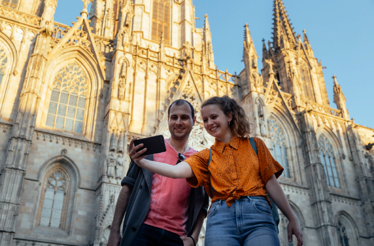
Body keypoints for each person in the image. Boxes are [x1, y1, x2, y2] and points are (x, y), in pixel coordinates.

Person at [129, 96, 303, 246]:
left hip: (257, 215)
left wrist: (292, 217)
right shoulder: (205, 156)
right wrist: (142, 162)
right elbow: (175, 171)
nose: (209, 123)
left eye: (214, 117)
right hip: (221, 218)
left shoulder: (255, 145)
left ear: (229, 116)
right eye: (205, 120)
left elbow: (271, 182)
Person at [107, 99, 209, 246]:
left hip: (176, 238)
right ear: (168, 120)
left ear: (193, 120)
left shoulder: (199, 160)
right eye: (174, 117)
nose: (178, 122)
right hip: (141, 231)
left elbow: (203, 204)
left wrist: (193, 238)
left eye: (184, 117)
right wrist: (114, 231)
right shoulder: (146, 150)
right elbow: (127, 187)